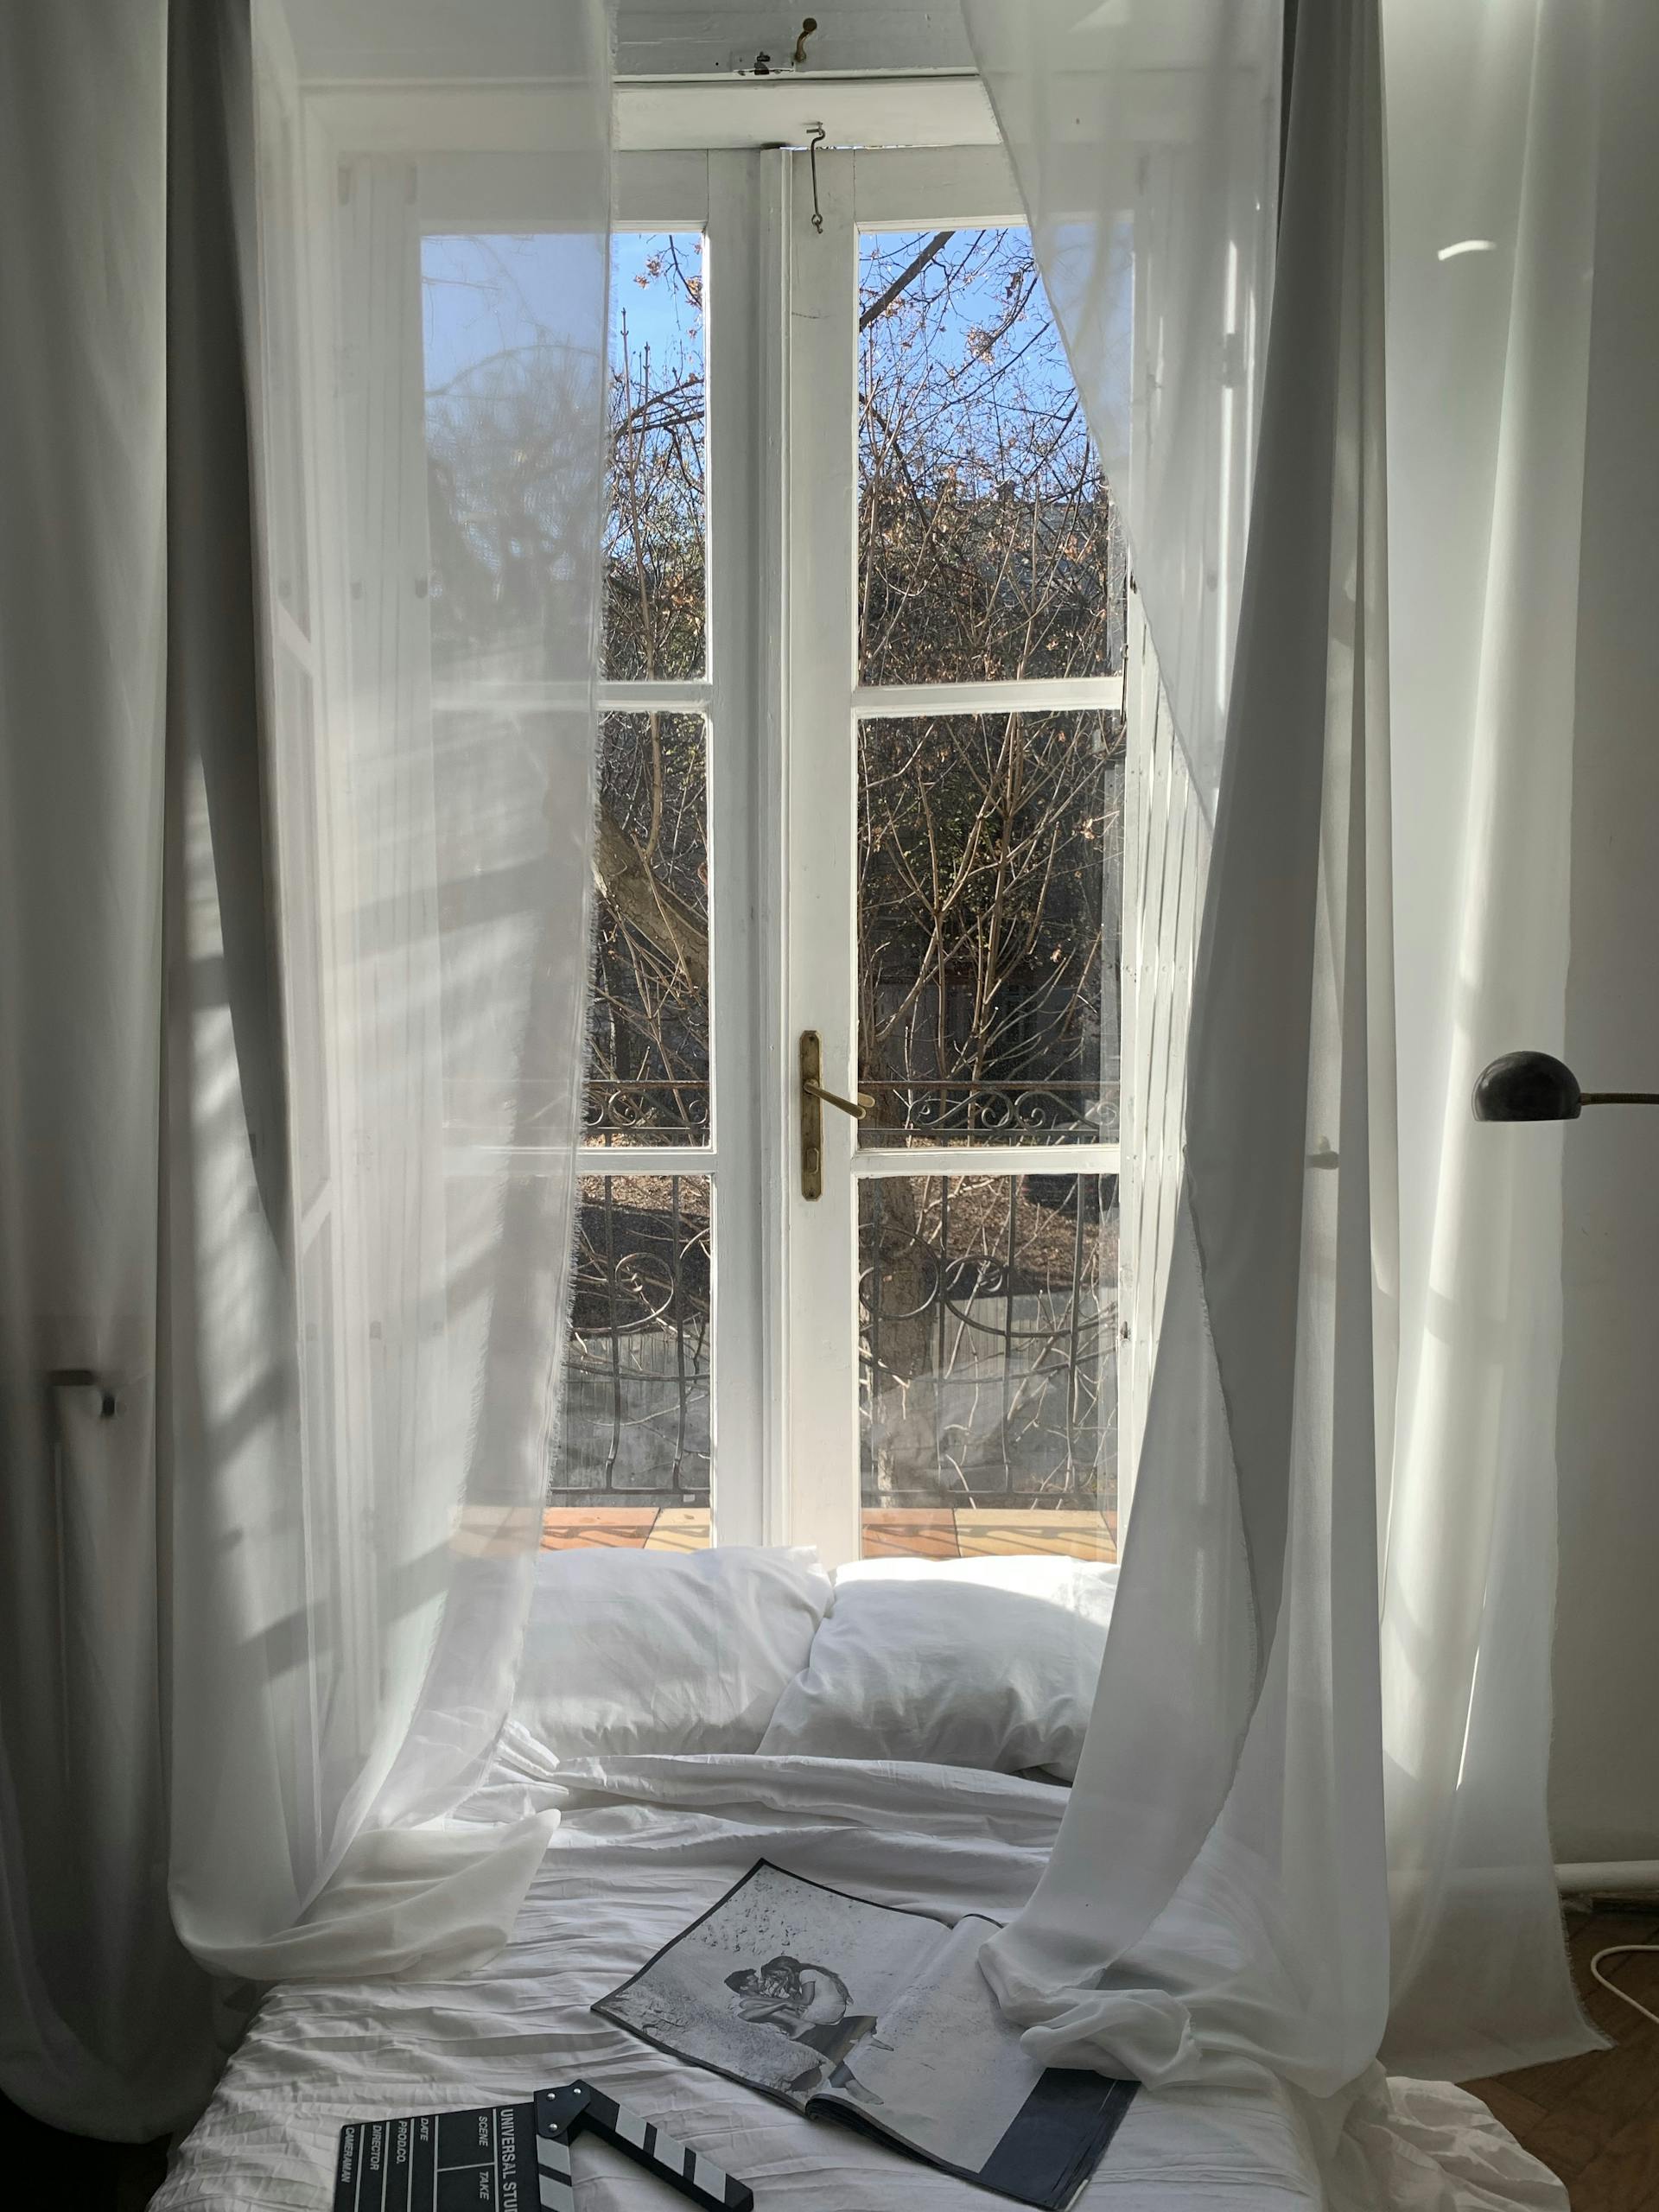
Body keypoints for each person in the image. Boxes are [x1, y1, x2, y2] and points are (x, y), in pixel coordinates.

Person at [724, 1955, 887, 2101]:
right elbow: (745, 2015)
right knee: (827, 2048)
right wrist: (783, 2003)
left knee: (831, 2034)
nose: (760, 1981)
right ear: (744, 1988)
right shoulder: (744, 2002)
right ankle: (854, 2086)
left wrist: (789, 1998)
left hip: (808, 2026)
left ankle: (862, 2043)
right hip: (796, 2034)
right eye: (754, 1981)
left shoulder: (762, 1997)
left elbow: (794, 2004)